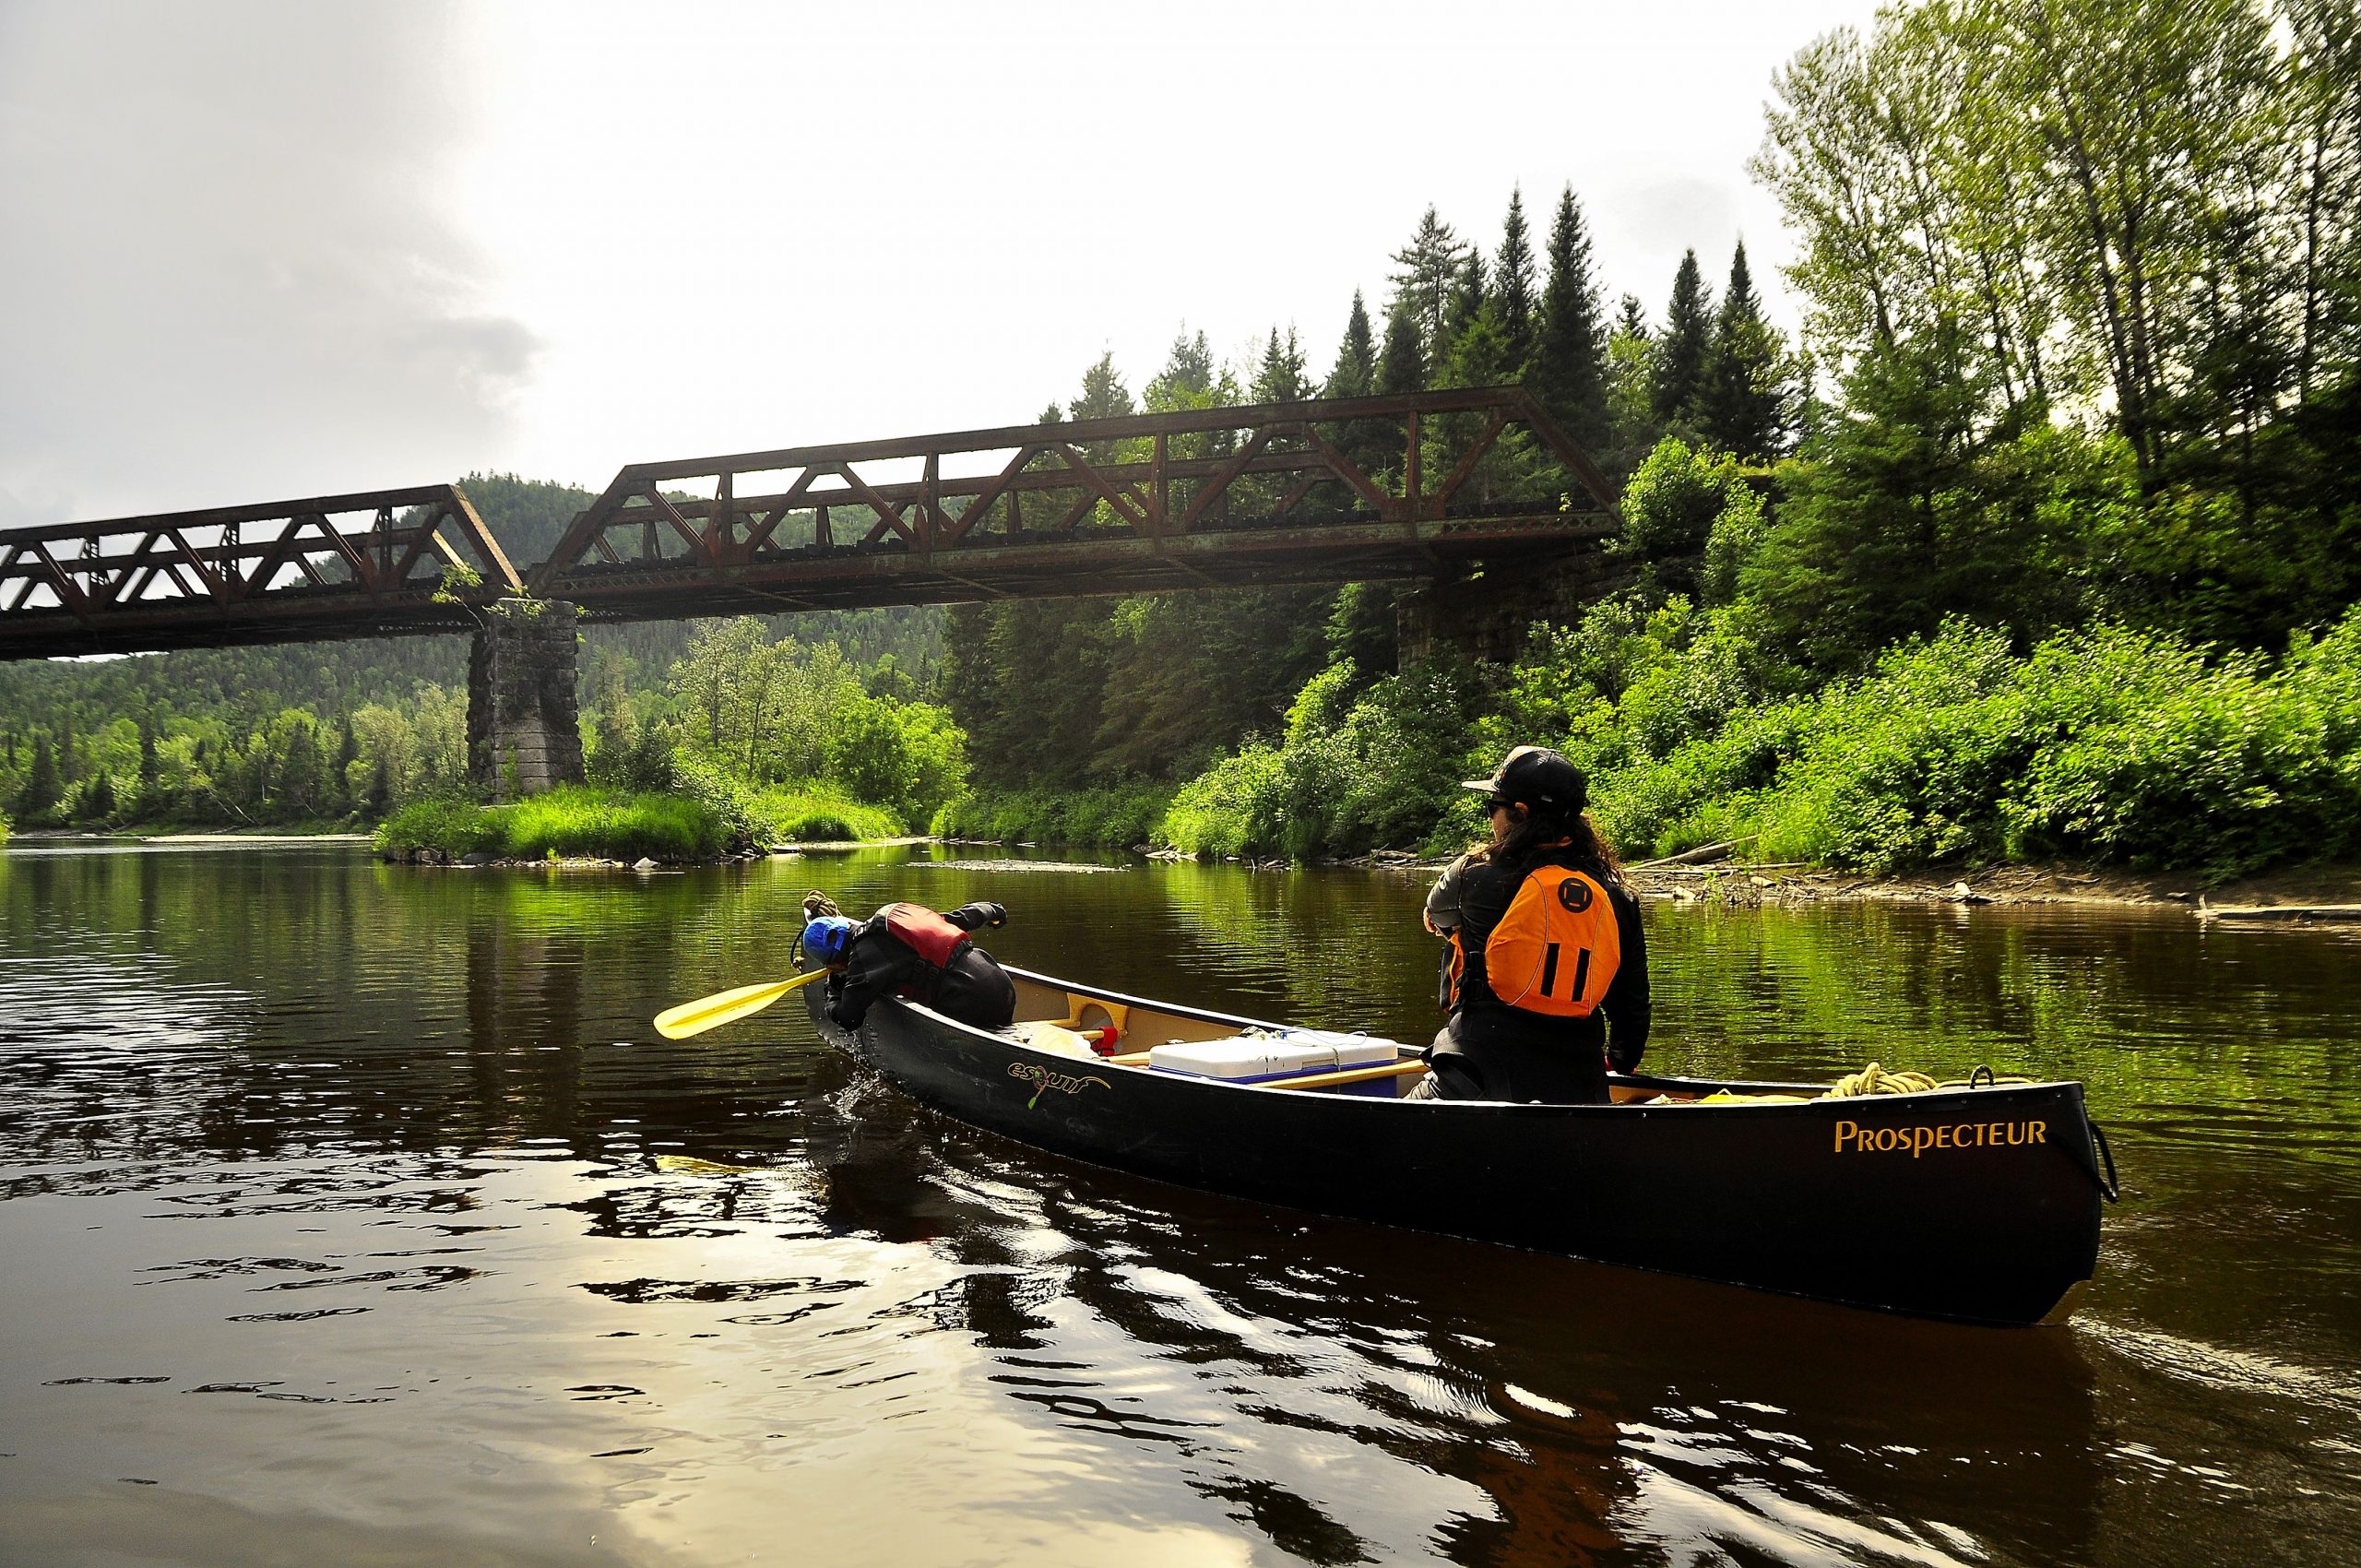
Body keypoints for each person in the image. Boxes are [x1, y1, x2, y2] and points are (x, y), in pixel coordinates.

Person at [1416, 745, 1649, 1103]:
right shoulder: (1617, 897)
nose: (1490, 818)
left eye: (1492, 807)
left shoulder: (1472, 873)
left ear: (1519, 813)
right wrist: (1619, 1062)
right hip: (1581, 1088)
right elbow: (1631, 1006)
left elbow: (1436, 917)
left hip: (1474, 1079)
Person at [801, 897, 1017, 1032]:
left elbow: (848, 1017)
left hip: (975, 1002)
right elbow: (957, 918)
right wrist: (993, 910)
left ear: (837, 962)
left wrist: (833, 991)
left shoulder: (862, 959)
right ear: (847, 924)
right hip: (1003, 985)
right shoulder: (895, 914)